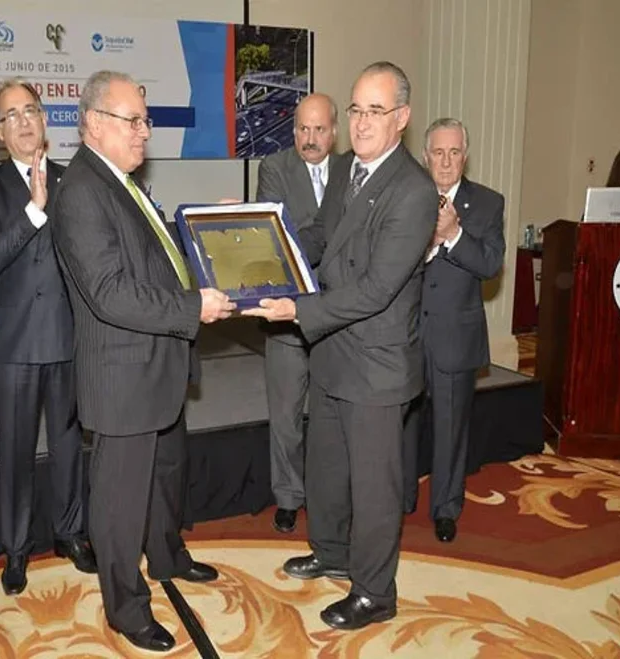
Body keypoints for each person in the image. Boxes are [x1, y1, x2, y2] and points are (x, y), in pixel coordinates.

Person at [244, 61, 438, 630]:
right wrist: (262, 255)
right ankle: (330, 552)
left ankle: (375, 591)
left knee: (375, 487)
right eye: (355, 109)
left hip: (376, 365)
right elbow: (322, 241)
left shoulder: (413, 189)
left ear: (401, 118)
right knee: (327, 469)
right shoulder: (350, 170)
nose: (360, 121)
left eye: (374, 110)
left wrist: (296, 308)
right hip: (332, 352)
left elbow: (376, 289)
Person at [52, 70, 234, 653]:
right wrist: (192, 308)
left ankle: (168, 557)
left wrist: (211, 222)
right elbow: (110, 292)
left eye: (146, 120)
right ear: (94, 124)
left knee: (163, 478)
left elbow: (154, 258)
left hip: (156, 364)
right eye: (133, 121)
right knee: (120, 499)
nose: (144, 132)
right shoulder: (82, 191)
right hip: (123, 372)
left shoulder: (121, 183)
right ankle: (125, 607)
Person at [0, 79, 95, 596]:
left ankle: (70, 533)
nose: (24, 121)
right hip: (17, 346)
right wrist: (35, 209)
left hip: (67, 338)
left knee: (69, 446)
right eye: (12, 114)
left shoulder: (75, 180)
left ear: (45, 121)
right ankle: (17, 551)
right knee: (16, 452)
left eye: (32, 111)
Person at [402, 118, 505, 542]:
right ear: (425, 157)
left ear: (466, 156)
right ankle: (400, 497)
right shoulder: (407, 197)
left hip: (454, 337)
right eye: (438, 153)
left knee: (449, 428)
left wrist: (453, 234)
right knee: (401, 425)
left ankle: (445, 509)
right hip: (404, 333)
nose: (446, 161)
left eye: (454, 152)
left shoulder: (487, 203)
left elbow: (490, 264)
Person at [256, 93, 338, 534]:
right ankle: (287, 496)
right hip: (286, 314)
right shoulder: (275, 169)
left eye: (319, 129)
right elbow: (277, 240)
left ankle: (325, 493)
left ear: (334, 131)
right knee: (286, 413)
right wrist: (327, 233)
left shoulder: (349, 172)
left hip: (336, 315)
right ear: (293, 132)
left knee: (328, 414)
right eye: (303, 129)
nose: (310, 138)